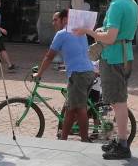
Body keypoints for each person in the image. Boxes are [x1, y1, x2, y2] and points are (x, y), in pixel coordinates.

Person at [78, 0, 138, 160]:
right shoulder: (131, 3)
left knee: (118, 102)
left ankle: (122, 143)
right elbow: (120, 33)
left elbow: (111, 38)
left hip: (113, 57)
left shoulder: (116, 5)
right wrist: (102, 30)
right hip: (125, 54)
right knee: (118, 100)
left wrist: (89, 31)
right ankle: (120, 140)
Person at [34, 9, 96, 142]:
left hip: (79, 74)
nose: (53, 23)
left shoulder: (62, 34)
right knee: (71, 108)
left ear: (64, 20)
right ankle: (63, 139)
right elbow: (77, 52)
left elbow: (49, 56)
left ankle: (84, 140)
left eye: (56, 19)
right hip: (88, 72)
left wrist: (39, 73)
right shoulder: (82, 32)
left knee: (80, 108)